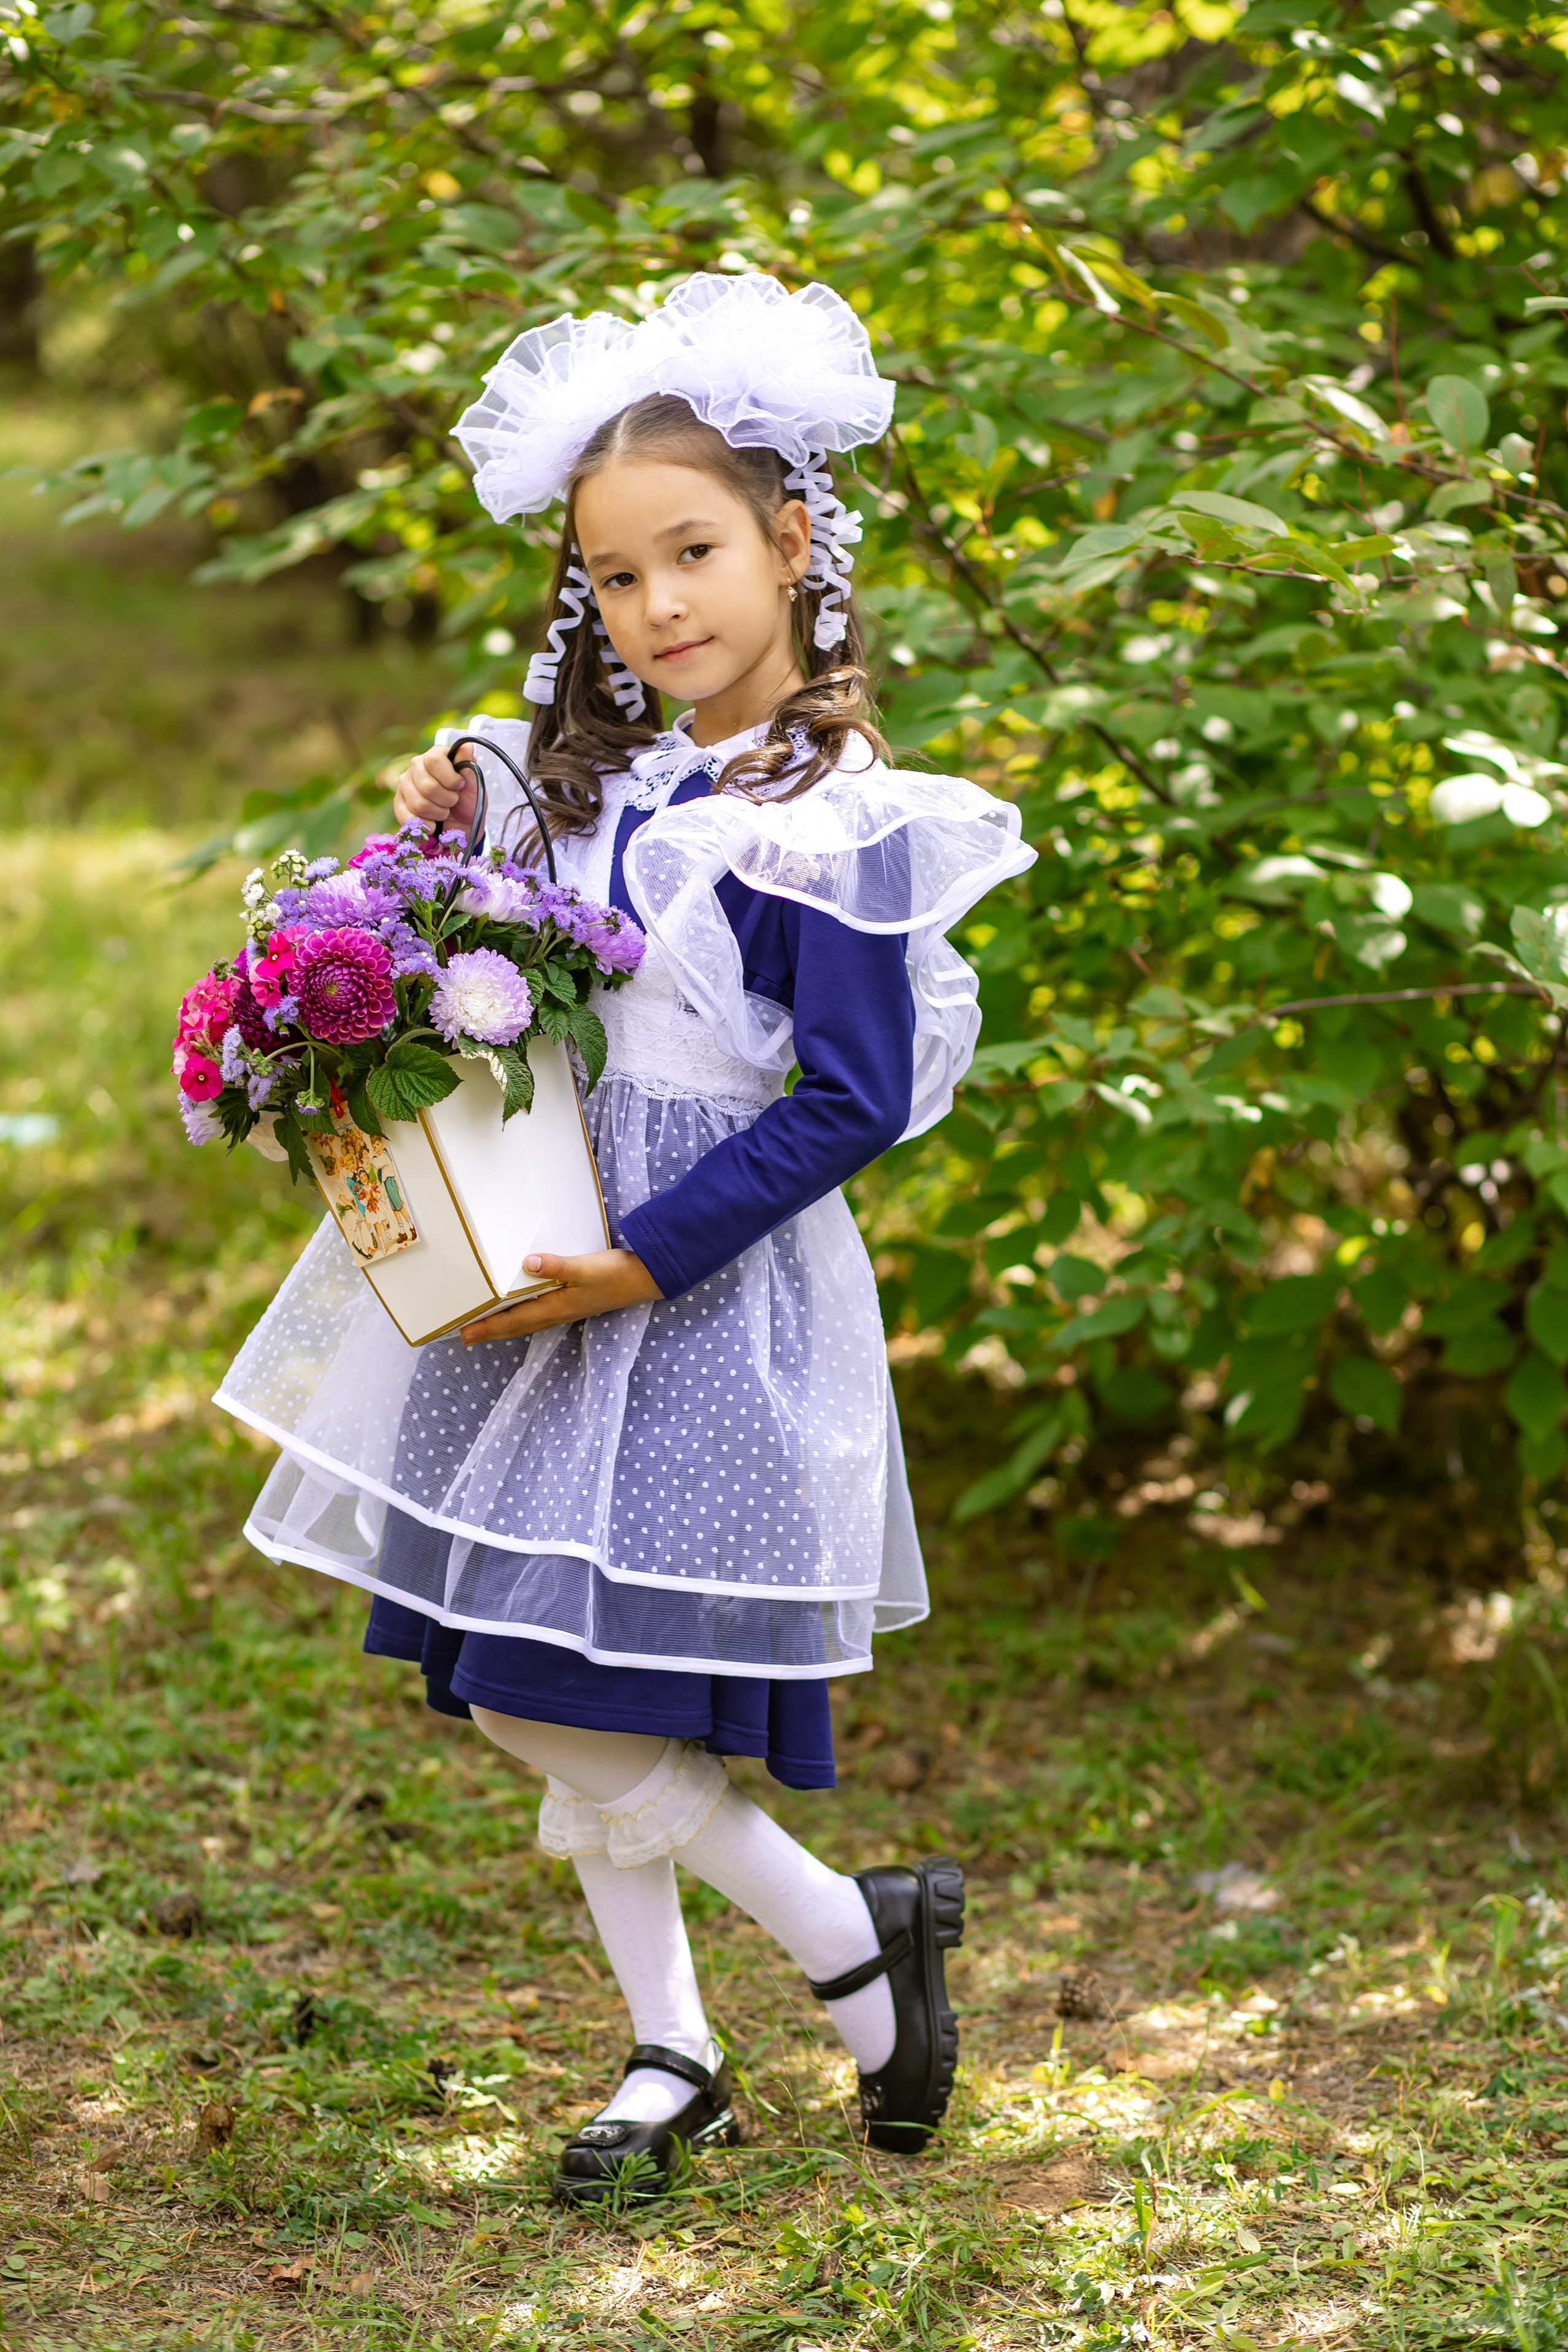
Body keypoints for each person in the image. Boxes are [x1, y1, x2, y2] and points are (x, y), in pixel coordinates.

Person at [214, 271, 1035, 2204]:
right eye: (618, 575)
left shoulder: (828, 814)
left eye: (695, 555)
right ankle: (678, 2041)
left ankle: (850, 1942)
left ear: (790, 541)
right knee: (532, 1658)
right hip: (528, 1255)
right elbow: (471, 967)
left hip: (692, 1287)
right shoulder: (573, 773)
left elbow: (843, 1100)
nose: (659, 607)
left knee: (561, 1685)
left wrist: (649, 1260)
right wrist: (431, 831)